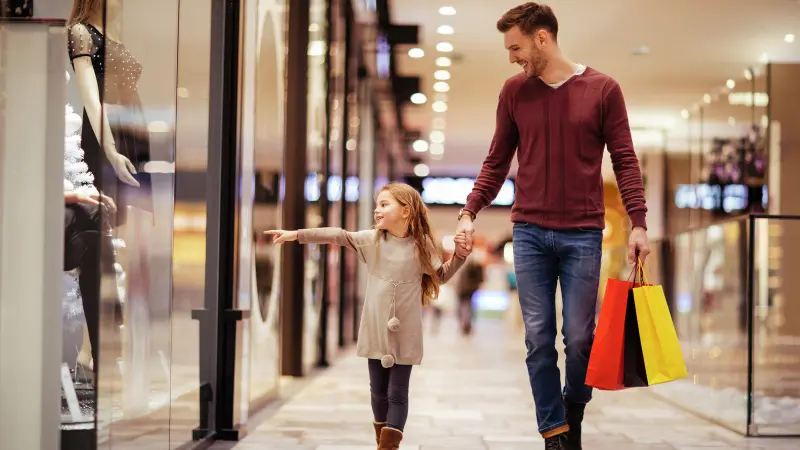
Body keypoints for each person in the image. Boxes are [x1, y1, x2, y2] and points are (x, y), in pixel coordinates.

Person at [454, 3, 650, 450]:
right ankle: (554, 432)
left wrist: (638, 223)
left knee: (580, 338)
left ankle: (573, 408)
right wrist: (469, 211)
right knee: (539, 338)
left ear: (542, 38)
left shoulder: (603, 89)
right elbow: (496, 161)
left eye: (516, 47)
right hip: (529, 233)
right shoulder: (514, 92)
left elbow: (624, 159)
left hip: (583, 233)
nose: (512, 57)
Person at [265, 182, 471, 450]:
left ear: (406, 211)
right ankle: (381, 441)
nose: (377, 210)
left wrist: (460, 257)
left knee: (398, 393)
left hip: (406, 331)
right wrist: (296, 234)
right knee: (378, 393)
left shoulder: (422, 247)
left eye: (384, 204)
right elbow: (336, 235)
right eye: (377, 204)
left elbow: (441, 276)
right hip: (374, 328)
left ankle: (388, 447)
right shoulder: (371, 240)